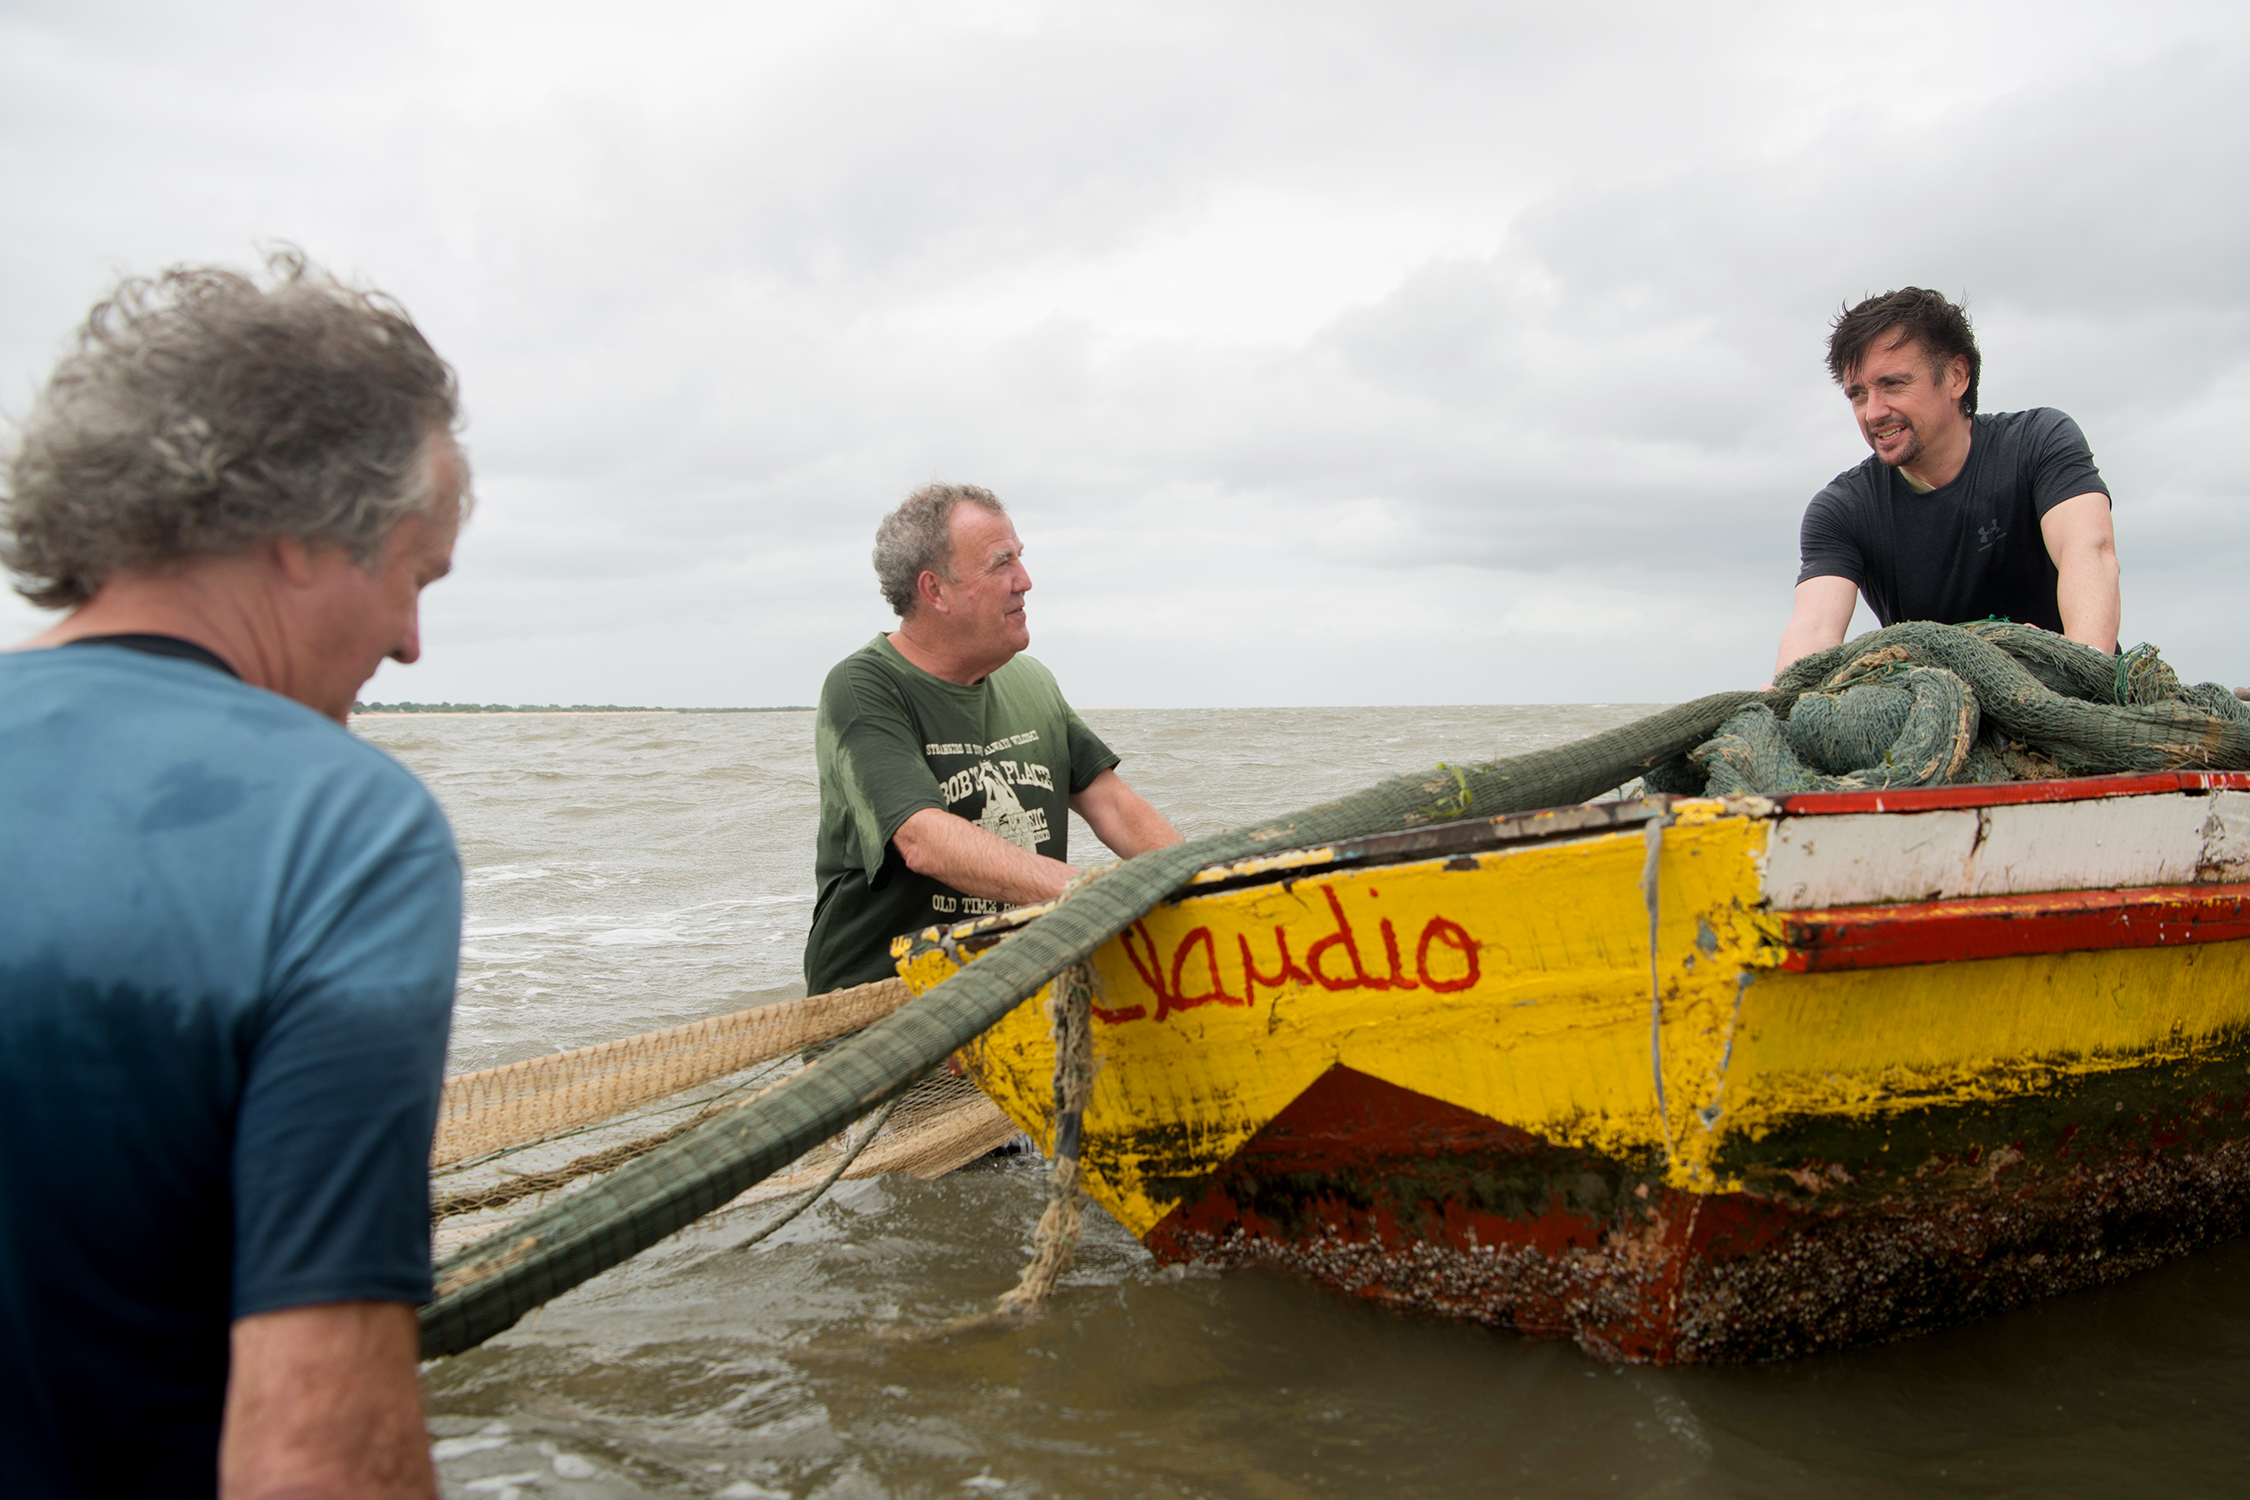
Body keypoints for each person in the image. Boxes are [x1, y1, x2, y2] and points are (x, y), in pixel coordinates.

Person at [0, 254, 467, 1497]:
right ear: (309, 533)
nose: (411, 647)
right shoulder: (337, 828)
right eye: (415, 576)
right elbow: (317, 1453)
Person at [804, 483, 1182, 995]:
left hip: (1011, 995)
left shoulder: (1032, 682)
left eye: (1020, 559)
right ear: (934, 590)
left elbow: (1112, 804)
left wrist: (1201, 882)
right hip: (883, 1012)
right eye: (1001, 564)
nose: (1024, 581)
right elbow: (922, 839)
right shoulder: (863, 687)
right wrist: (1093, 895)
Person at [1772, 287, 2119, 679]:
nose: (1874, 412)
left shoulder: (2039, 441)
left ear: (1957, 376)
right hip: (1941, 712)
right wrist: (1787, 691)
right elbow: (1815, 629)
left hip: (2062, 686)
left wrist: (2080, 672)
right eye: (1858, 395)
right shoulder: (1842, 509)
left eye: (1893, 385)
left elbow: (2090, 550)